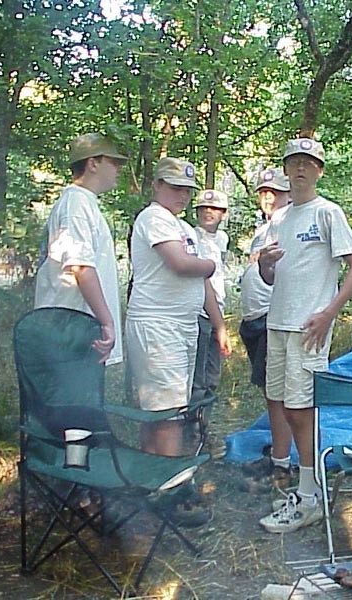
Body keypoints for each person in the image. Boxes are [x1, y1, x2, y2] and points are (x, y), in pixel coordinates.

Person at [257, 138, 352, 533]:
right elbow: (269, 277)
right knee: (279, 401)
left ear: (319, 170)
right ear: (286, 169)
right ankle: (294, 483)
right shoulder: (280, 218)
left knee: (301, 409)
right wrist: (264, 264)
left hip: (308, 328)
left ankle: (309, 497)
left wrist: (328, 314)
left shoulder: (327, 213)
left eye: (309, 163)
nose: (301, 169)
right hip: (277, 322)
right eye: (294, 163)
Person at [125, 157, 229, 458]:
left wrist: (219, 325)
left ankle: (154, 472)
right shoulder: (153, 217)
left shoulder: (184, 227)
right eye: (175, 188)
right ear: (157, 185)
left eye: (187, 190)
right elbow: (181, 264)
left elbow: (202, 283)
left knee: (170, 407)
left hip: (184, 326)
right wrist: (211, 265)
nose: (182, 195)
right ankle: (170, 478)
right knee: (167, 413)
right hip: (158, 325)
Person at [35, 132, 127, 366]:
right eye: (113, 162)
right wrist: (106, 322)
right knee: (72, 390)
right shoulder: (75, 204)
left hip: (80, 331)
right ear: (93, 164)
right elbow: (80, 267)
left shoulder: (84, 203)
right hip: (71, 331)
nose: (119, 169)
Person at [239, 167, 293, 487]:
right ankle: (278, 452)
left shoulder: (290, 225)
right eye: (263, 192)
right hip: (255, 319)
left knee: (277, 394)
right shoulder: (264, 228)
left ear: (289, 194)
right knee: (269, 391)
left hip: (272, 318)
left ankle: (282, 463)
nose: (268, 197)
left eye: (275, 192)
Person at [188, 189, 232, 437]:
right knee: (198, 374)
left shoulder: (222, 239)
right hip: (197, 311)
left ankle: (205, 423)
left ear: (223, 214)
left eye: (214, 209)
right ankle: (192, 428)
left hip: (217, 311)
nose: (208, 212)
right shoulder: (190, 235)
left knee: (213, 373)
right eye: (203, 208)